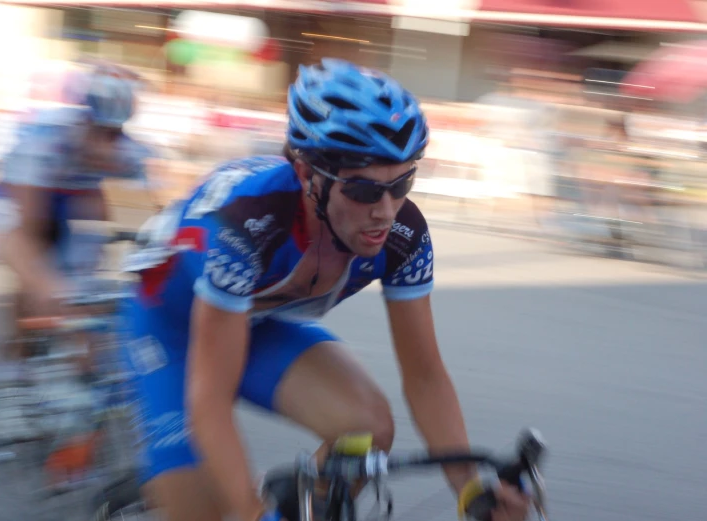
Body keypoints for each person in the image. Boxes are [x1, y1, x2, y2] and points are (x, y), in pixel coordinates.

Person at [121, 58, 530, 521]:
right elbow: (209, 399)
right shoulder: (245, 224)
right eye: (363, 191)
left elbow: (425, 376)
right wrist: (250, 512)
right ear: (305, 175)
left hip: (253, 323)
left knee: (366, 429)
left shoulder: (403, 234)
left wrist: (471, 488)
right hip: (171, 331)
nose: (386, 210)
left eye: (403, 183)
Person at [0, 60, 157, 441]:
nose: (108, 143)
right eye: (100, 131)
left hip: (76, 205)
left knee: (92, 302)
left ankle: (75, 400)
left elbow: (147, 232)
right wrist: (46, 286)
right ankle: (8, 382)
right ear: (84, 119)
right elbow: (27, 230)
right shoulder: (47, 139)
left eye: (115, 133)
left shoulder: (130, 155)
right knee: (42, 284)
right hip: (19, 201)